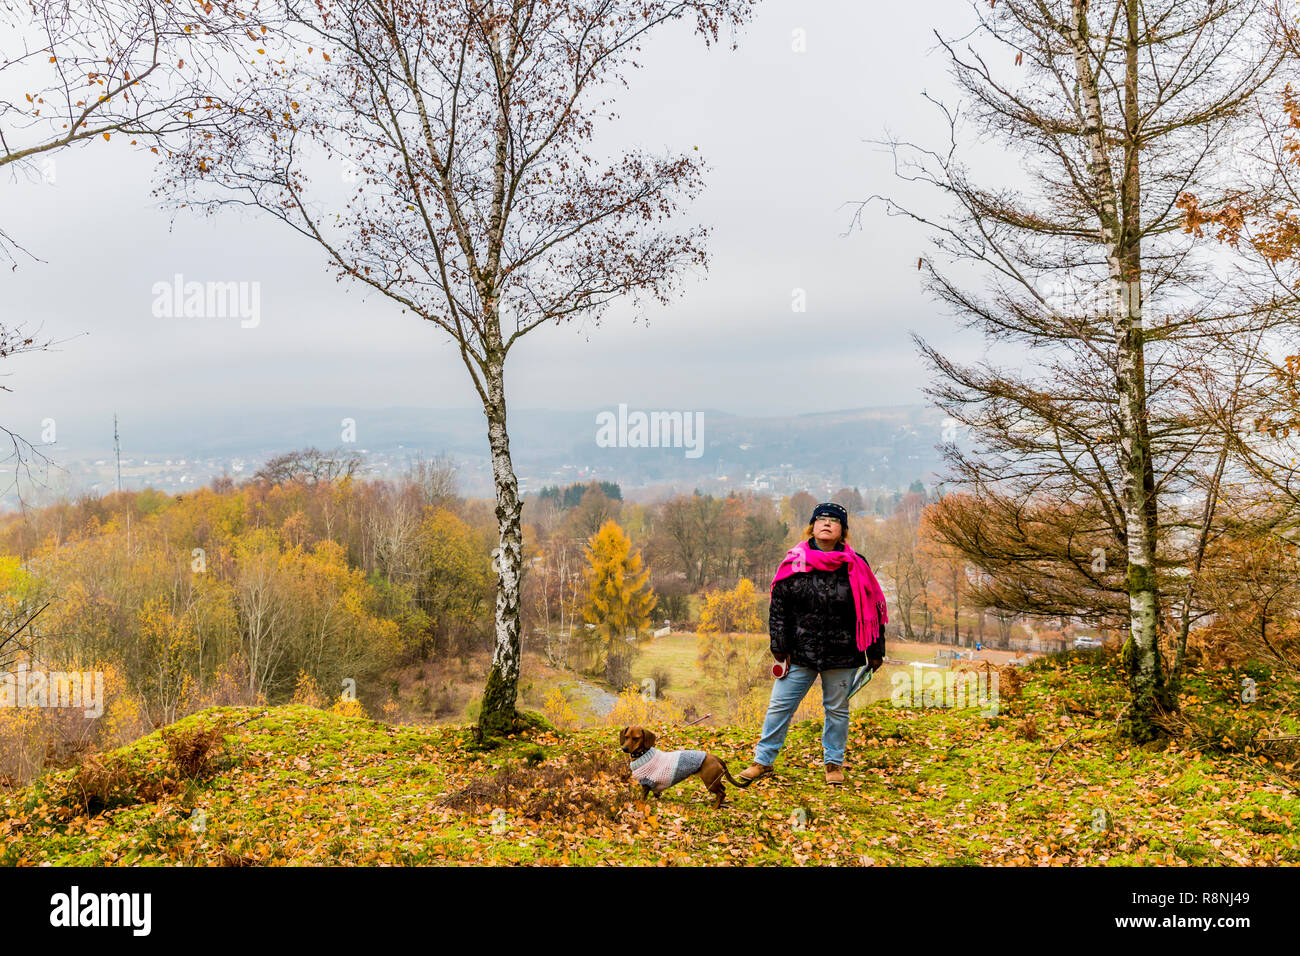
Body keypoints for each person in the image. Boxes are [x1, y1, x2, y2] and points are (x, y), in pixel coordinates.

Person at [736, 501, 888, 787]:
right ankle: (762, 761)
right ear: (812, 526)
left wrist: (876, 650)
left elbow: (871, 608)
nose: (827, 523)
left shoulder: (858, 565)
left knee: (837, 709)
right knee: (780, 706)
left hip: (843, 651)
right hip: (799, 652)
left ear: (843, 530)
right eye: (821, 519)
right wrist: (779, 646)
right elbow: (778, 607)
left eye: (834, 520)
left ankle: (833, 763)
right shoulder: (795, 560)